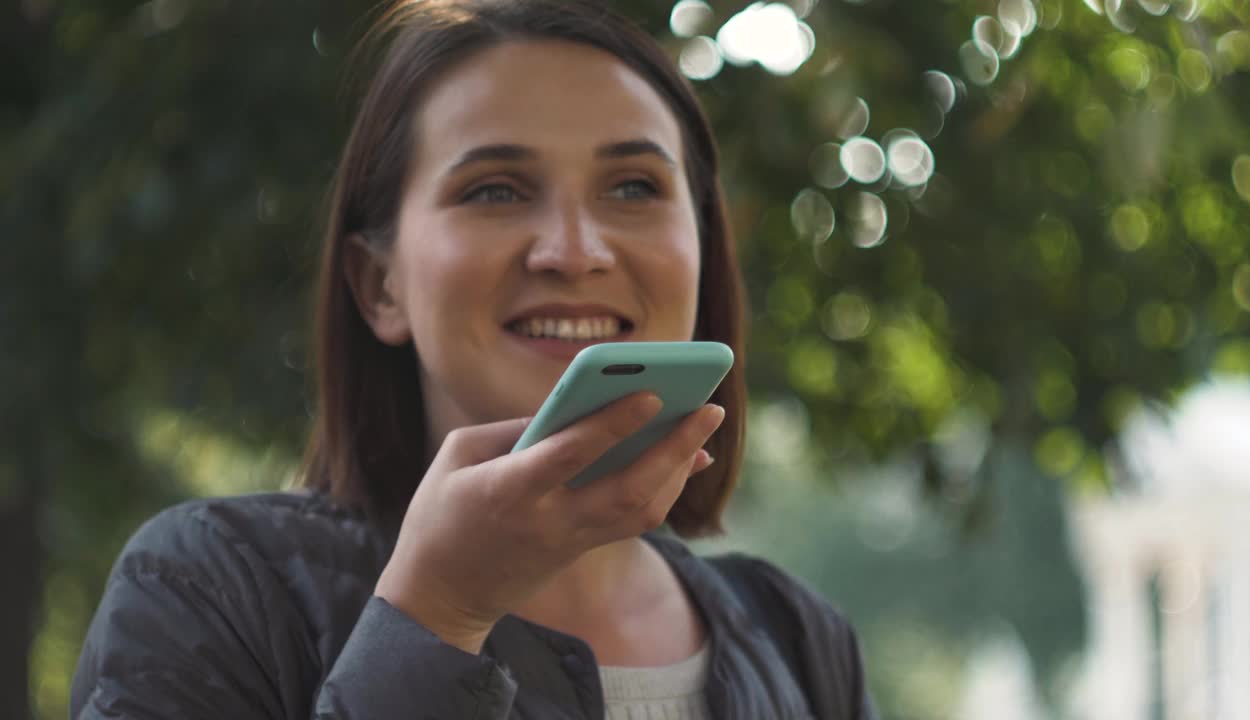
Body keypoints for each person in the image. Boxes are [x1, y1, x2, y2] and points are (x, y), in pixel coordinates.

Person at [71, 1, 877, 718]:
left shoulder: (800, 639)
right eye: (495, 190)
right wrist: (437, 618)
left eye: (633, 187)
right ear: (379, 285)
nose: (575, 251)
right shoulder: (211, 592)